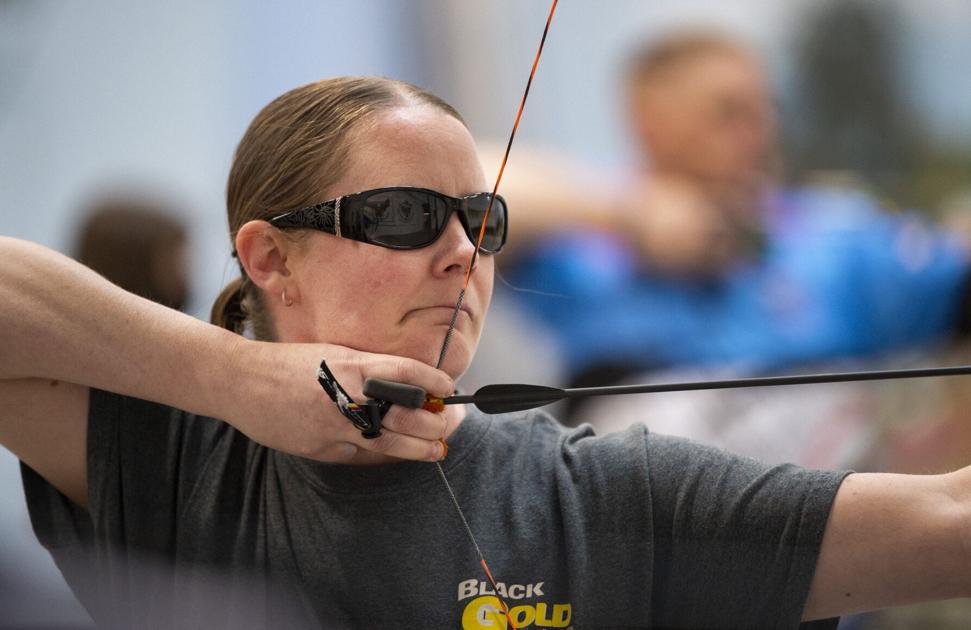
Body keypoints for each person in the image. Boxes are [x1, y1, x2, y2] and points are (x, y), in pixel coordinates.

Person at [3, 76, 971, 629]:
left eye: (481, 219)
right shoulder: (174, 455)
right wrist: (237, 379)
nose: (462, 250)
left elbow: (948, 517)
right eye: (408, 216)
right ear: (270, 260)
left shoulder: (592, 499)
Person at [493, 32, 971, 398]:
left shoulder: (833, 233)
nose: (760, 132)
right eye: (728, 112)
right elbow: (469, 183)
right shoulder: (592, 242)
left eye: (765, 110)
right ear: (649, 122)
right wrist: (633, 217)